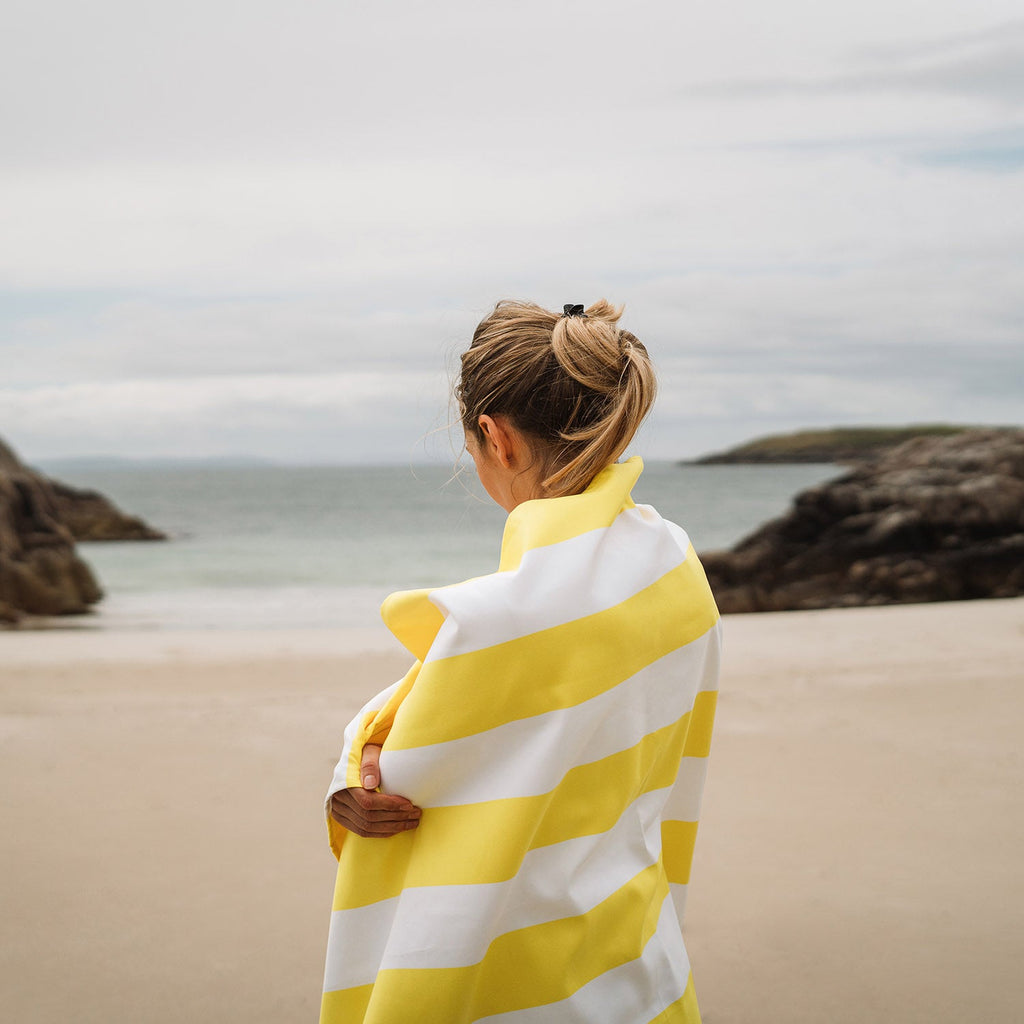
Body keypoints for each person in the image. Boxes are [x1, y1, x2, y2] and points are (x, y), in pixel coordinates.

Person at [322, 299, 721, 1024]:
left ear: (495, 437)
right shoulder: (672, 563)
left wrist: (356, 762)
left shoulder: (497, 623)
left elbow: (402, 781)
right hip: (638, 963)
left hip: (512, 986)